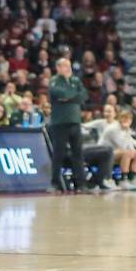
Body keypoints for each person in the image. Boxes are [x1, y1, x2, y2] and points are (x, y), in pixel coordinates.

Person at [48, 56, 89, 193]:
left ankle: (81, 184)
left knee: (78, 154)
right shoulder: (54, 81)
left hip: (75, 121)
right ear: (58, 68)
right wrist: (72, 96)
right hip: (60, 122)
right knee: (58, 154)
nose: (68, 68)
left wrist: (68, 97)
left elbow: (84, 95)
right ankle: (55, 183)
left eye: (69, 65)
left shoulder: (75, 80)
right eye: (65, 66)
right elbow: (59, 92)